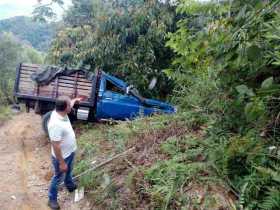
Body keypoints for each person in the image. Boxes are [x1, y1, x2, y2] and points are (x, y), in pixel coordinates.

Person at [47, 96, 81, 210]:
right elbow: (55, 145)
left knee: (69, 171)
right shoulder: (55, 124)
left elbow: (69, 104)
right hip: (61, 157)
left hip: (70, 152)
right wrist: (61, 163)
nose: (71, 107)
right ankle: (52, 200)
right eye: (69, 105)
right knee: (57, 177)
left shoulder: (60, 112)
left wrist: (75, 100)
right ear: (65, 108)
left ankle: (70, 185)